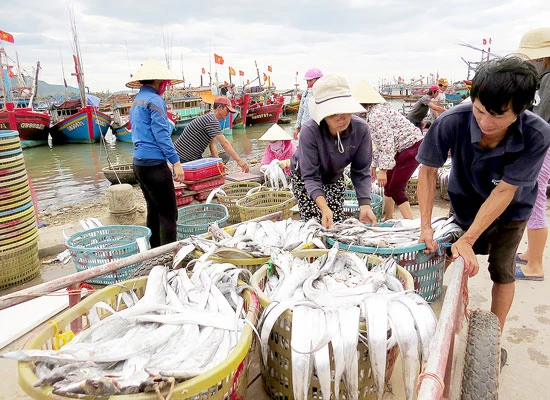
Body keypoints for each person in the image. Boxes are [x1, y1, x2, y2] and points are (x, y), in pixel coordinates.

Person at [416, 57, 550, 354]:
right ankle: (430, 321)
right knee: (444, 255)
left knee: (503, 271)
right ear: (472, 99)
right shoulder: (451, 120)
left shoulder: (537, 133)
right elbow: (426, 172)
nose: (486, 123)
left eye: (499, 116)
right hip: (463, 201)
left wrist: (470, 238)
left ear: (521, 110)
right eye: (479, 110)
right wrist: (425, 225)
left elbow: (506, 191)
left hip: (511, 210)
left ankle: (494, 340)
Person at [290, 74, 377, 228]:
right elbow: (310, 176)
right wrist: (324, 208)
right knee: (314, 223)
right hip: (305, 177)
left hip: (334, 175)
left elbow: (361, 171)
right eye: (333, 113)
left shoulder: (361, 129)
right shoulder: (309, 131)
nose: (341, 118)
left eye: (345, 110)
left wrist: (365, 204)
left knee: (335, 221)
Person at [126, 59, 186, 248]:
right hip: (154, 166)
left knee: (153, 210)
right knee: (169, 214)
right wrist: (175, 162)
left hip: (139, 164)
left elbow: (140, 133)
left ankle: (155, 253)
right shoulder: (154, 100)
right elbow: (161, 134)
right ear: (159, 82)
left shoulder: (137, 101)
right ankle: (170, 258)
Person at [352, 80, 424, 219]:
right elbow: (380, 142)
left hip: (411, 148)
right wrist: (374, 165)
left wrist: (383, 170)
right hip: (400, 149)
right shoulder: (376, 110)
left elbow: (386, 143)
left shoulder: (376, 115)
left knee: (396, 188)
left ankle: (410, 223)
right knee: (388, 185)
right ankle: (389, 217)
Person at [514, 27, 550, 281]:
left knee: (535, 199)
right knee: (532, 197)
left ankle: (535, 264)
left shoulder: (548, 78)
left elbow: (540, 119)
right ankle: (531, 253)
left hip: (544, 147)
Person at [174, 97, 249, 172]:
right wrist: (239, 161)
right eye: (227, 110)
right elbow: (224, 143)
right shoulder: (211, 120)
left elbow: (212, 144)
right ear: (220, 107)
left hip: (191, 157)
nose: (228, 113)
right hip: (182, 158)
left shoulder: (210, 118)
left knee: (222, 159)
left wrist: (218, 164)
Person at [293, 67, 323, 140]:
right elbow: (301, 111)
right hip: (305, 128)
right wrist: (297, 128)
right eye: (307, 81)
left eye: (310, 80)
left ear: (318, 79)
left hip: (320, 129)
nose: (308, 83)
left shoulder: (324, 93)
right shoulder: (305, 94)